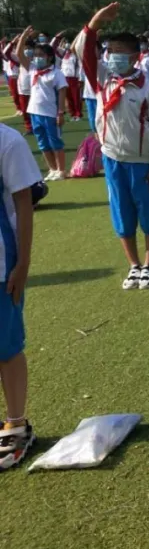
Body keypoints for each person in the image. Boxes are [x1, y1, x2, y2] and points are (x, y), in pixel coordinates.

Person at [75, 3, 149, 290]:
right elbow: (83, 52)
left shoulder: (148, 90)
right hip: (113, 160)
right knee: (121, 213)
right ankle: (134, 266)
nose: (113, 58)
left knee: (148, 213)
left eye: (120, 53)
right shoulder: (103, 81)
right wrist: (95, 22)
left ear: (136, 57)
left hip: (141, 163)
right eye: (109, 52)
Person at [0, 121, 40, 471]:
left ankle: (16, 423)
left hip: (2, 267)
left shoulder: (7, 142)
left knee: (7, 347)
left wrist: (23, 264)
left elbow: (24, 202)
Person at [14, 28, 68, 181]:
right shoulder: (32, 69)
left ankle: (61, 170)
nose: (37, 58)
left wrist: (61, 112)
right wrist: (24, 36)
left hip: (50, 113)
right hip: (34, 112)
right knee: (42, 143)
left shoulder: (56, 73)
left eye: (41, 56)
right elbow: (19, 54)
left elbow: (62, 92)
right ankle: (52, 169)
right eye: (36, 55)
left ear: (50, 58)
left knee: (55, 142)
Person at [58, 36, 83, 121]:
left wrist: (80, 79)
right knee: (68, 98)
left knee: (76, 97)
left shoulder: (76, 55)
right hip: (65, 78)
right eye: (66, 44)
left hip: (74, 78)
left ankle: (78, 114)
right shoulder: (64, 55)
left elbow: (80, 67)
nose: (67, 46)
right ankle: (72, 114)